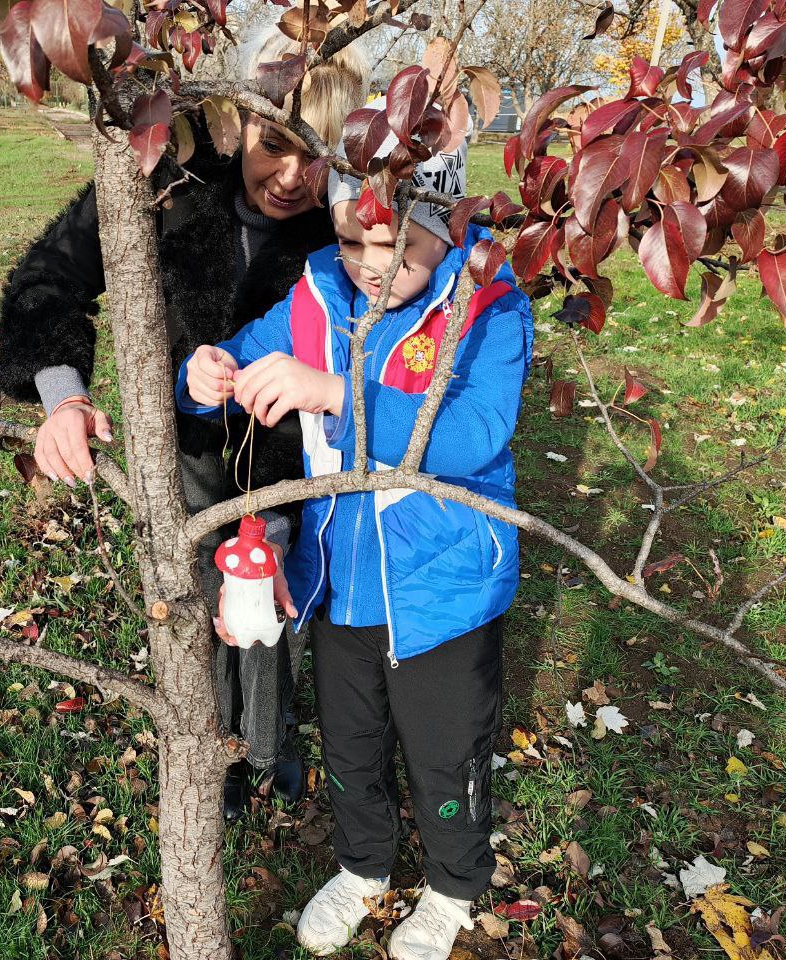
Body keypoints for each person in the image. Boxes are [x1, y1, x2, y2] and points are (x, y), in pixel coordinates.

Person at [175, 116, 534, 960]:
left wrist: (336, 391)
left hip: (442, 588)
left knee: (445, 751)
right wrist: (208, 374)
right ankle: (364, 863)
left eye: (398, 252)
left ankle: (453, 883)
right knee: (352, 738)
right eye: (353, 243)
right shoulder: (318, 296)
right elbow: (246, 356)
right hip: (340, 578)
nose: (373, 268)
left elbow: (473, 432)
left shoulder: (486, 305)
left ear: (445, 231)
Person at [0, 28, 369, 821]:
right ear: (243, 120)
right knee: (198, 605)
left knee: (279, 610)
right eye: (277, 143)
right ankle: (217, 745)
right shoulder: (165, 184)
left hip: (295, 464)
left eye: (320, 154)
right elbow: (46, 276)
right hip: (184, 450)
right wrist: (63, 394)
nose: (294, 175)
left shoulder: (343, 237)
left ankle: (275, 742)